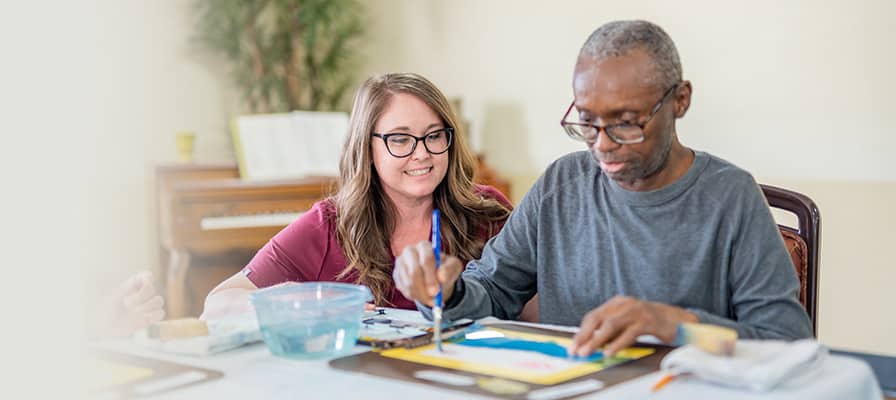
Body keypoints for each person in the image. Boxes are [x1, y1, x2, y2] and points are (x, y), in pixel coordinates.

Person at [390, 20, 813, 359]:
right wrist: (449, 292)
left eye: (626, 122)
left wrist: (675, 326)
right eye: (587, 121)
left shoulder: (731, 197)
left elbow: (785, 342)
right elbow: (493, 292)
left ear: (680, 100)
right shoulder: (561, 185)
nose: (603, 143)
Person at [199, 73, 513, 319]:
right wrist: (296, 303)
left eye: (434, 136)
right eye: (400, 139)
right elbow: (217, 305)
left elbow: (536, 313)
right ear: (367, 147)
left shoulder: (489, 211)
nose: (422, 153)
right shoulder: (327, 224)